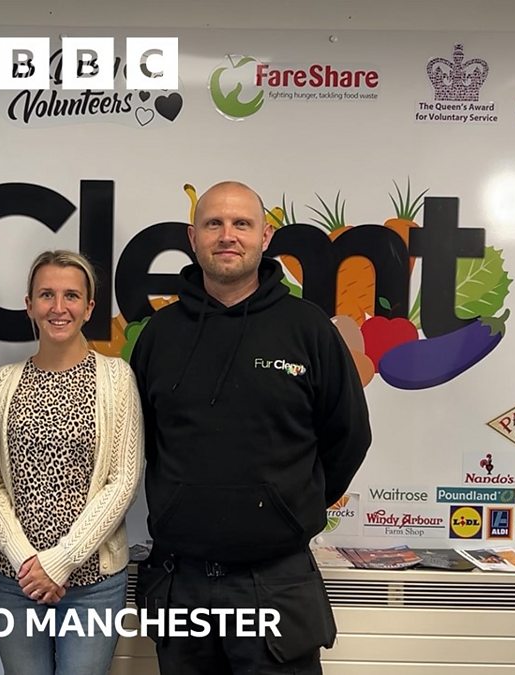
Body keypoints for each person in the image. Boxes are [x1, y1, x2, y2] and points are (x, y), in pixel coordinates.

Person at [129, 181, 372, 674]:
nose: (227, 235)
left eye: (242, 223)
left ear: (265, 237)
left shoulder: (308, 329)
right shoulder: (160, 335)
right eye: (213, 223)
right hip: (182, 583)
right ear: (193, 237)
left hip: (276, 583)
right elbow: (142, 441)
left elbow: (348, 436)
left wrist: (286, 505)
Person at [0, 250, 143, 675]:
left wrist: (60, 562)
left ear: (89, 307)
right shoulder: (3, 382)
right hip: (16, 581)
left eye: (71, 296)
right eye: (46, 295)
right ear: (29, 305)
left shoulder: (116, 378)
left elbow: (123, 480)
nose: (58, 307)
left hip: (94, 585)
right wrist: (26, 561)